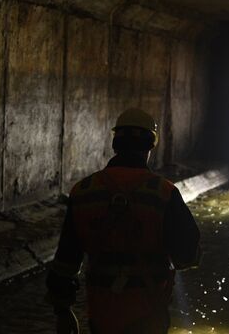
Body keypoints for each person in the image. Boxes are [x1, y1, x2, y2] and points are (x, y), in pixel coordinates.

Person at [46, 108, 201, 334]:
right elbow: (189, 255)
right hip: (150, 314)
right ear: (151, 145)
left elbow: (65, 260)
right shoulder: (163, 193)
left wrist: (63, 311)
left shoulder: (83, 192)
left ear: (115, 144)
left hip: (102, 315)